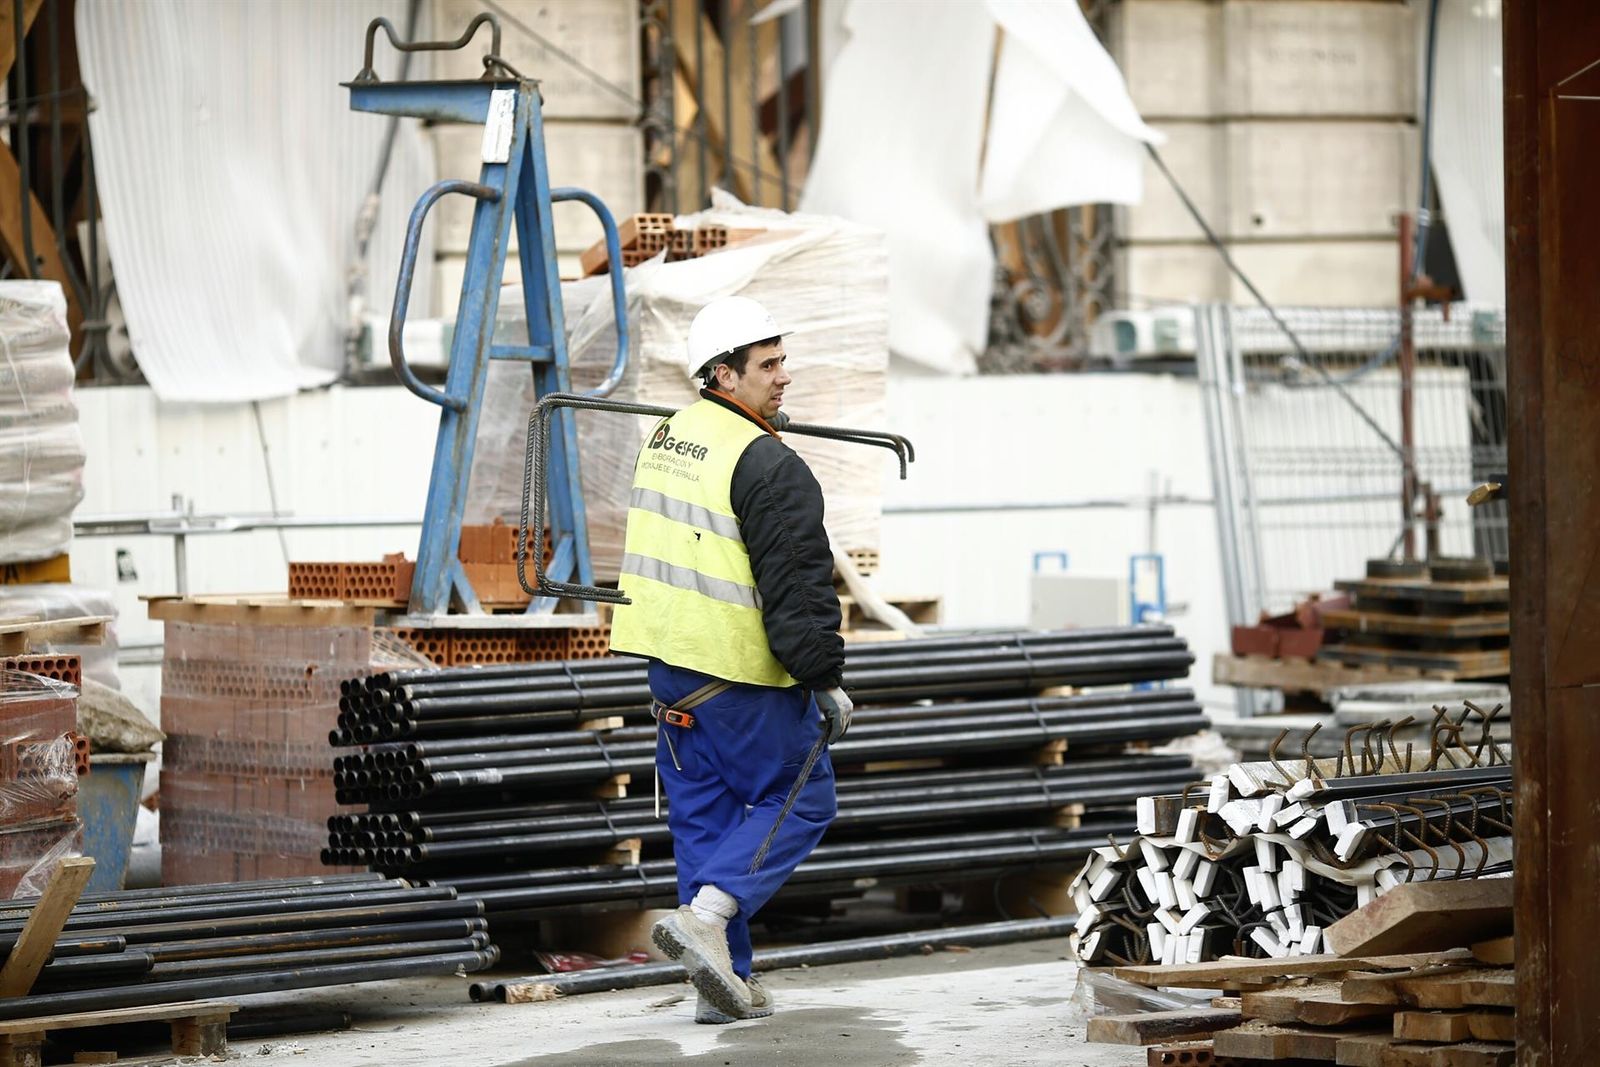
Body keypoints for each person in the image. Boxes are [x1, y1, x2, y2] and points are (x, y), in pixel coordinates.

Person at [608, 295, 853, 1024]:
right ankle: (708, 918)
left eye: (783, 360)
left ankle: (724, 982)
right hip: (740, 677)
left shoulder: (668, 435)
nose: (785, 377)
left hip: (671, 675)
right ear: (723, 374)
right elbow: (798, 588)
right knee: (802, 798)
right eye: (768, 365)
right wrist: (824, 677)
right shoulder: (768, 463)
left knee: (708, 825)